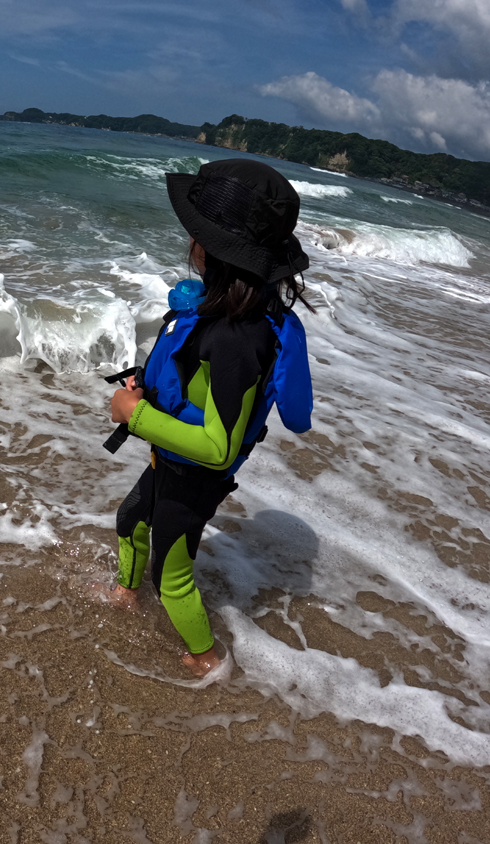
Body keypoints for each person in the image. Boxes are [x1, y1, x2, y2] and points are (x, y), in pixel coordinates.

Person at [108, 158, 314, 678]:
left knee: (171, 577)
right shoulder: (223, 314)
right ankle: (122, 594)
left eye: (195, 233)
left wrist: (135, 416)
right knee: (130, 521)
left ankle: (206, 657)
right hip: (169, 461)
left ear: (215, 250)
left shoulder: (239, 340)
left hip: (195, 475)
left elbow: (217, 447)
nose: (188, 241)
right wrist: (147, 392)